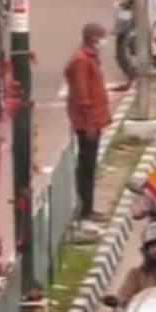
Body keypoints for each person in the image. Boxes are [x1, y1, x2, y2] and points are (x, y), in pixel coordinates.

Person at [63, 22, 112, 224]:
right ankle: (85, 209)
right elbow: (83, 96)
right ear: (91, 38)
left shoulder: (88, 58)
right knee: (86, 166)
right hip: (87, 124)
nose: (103, 41)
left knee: (89, 166)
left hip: (92, 121)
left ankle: (87, 206)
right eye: (101, 37)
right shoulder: (81, 61)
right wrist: (90, 123)